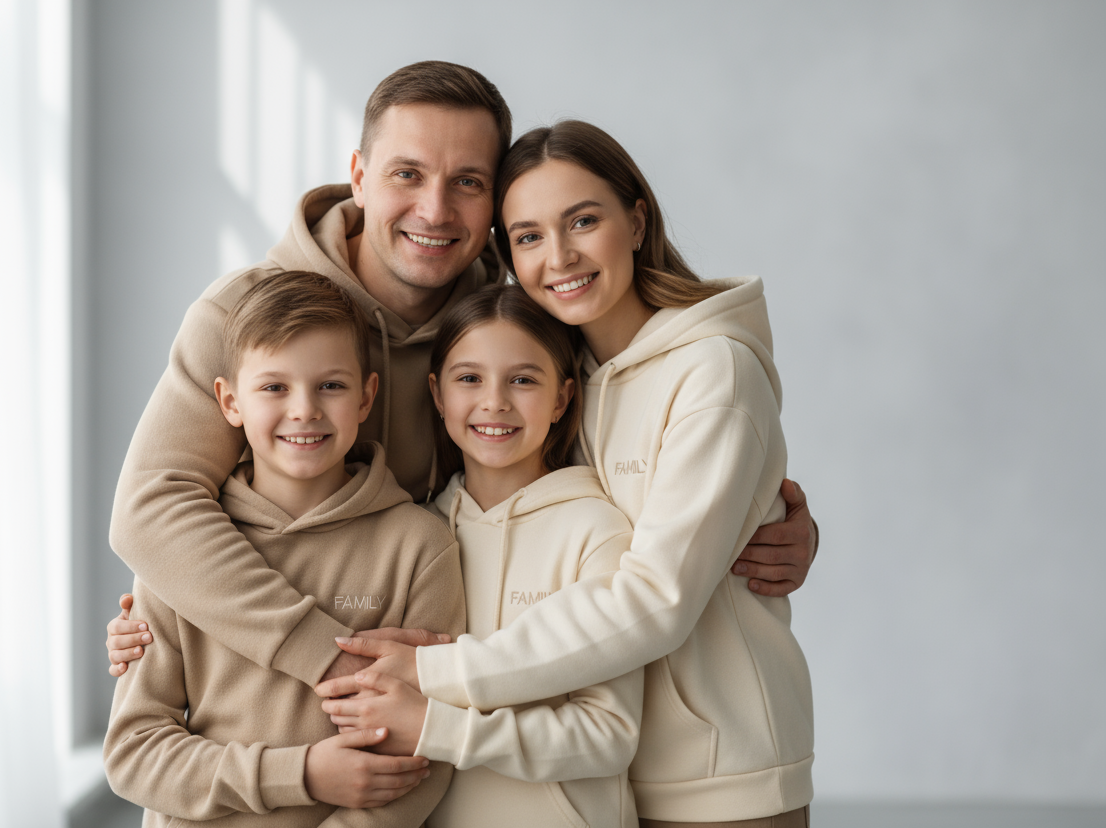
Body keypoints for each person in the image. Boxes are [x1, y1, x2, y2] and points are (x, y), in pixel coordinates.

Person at [104, 62, 817, 689]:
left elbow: (624, 442)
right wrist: (177, 619)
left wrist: (762, 516)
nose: (435, 210)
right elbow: (152, 509)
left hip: (446, 710)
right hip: (279, 698)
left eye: (468, 183)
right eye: (406, 174)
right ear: (358, 177)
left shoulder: (513, 321)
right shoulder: (246, 316)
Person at [317, 122, 814, 828]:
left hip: (718, 765)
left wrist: (436, 676)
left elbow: (656, 597)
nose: (559, 256)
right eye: (527, 236)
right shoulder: (561, 374)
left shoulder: (713, 370)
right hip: (604, 783)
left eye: (584, 220)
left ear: (637, 220)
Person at [103, 271, 465, 828]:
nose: (304, 410)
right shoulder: (182, 555)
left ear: (367, 395)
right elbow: (134, 754)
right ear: (229, 402)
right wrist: (298, 774)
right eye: (274, 387)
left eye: (331, 386)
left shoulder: (420, 547)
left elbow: (426, 756)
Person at [328, 284, 645, 828]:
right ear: (437, 393)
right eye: (469, 378)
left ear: (562, 399)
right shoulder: (418, 533)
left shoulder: (595, 529)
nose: (494, 401)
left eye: (523, 380)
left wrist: (438, 727)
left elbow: (607, 736)